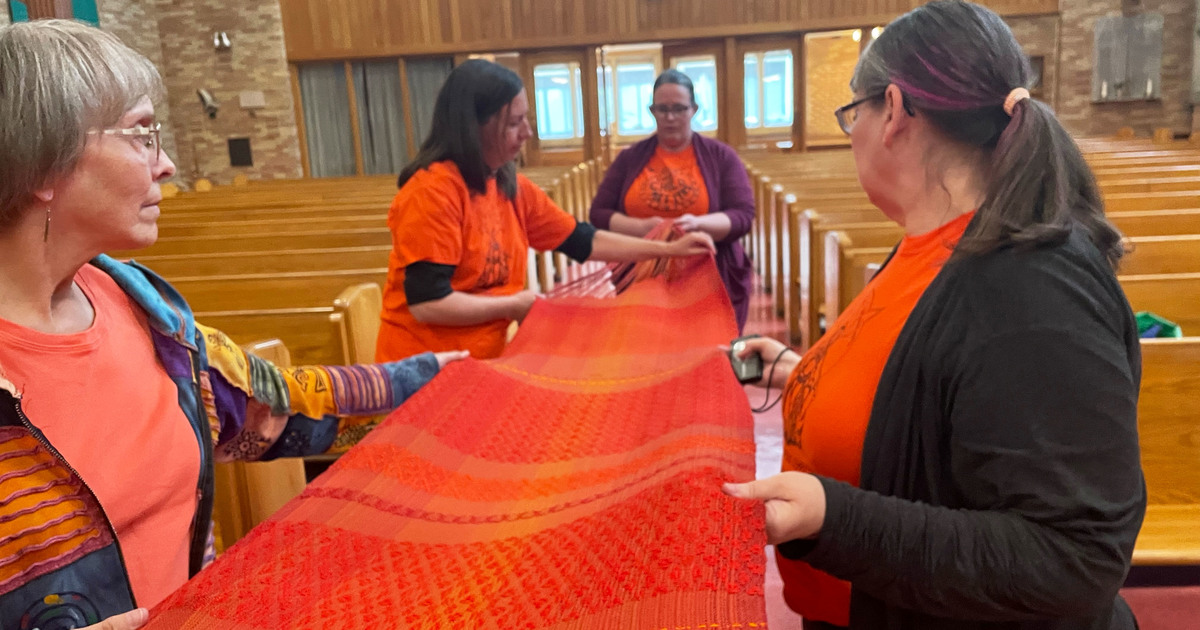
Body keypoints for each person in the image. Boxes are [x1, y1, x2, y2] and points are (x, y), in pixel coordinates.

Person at [0, 20, 466, 630]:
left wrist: (430, 379)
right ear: (44, 162)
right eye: (142, 134)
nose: (166, 165)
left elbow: (274, 409)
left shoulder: (141, 305)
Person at [723, 2, 1144, 629]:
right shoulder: (938, 243)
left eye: (851, 113)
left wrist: (829, 517)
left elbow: (1072, 559)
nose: (853, 132)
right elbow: (924, 386)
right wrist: (801, 371)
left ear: (892, 111)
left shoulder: (1031, 288)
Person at [375, 60, 716, 362]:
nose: (527, 133)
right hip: (419, 369)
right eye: (514, 123)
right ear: (473, 127)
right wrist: (513, 304)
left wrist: (668, 249)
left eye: (527, 120)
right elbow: (427, 304)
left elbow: (583, 241)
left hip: (477, 360)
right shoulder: (432, 192)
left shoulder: (511, 186)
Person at [589, 69, 755, 332]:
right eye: (661, 109)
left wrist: (698, 224)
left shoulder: (721, 156)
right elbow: (599, 214)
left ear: (694, 109)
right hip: (642, 279)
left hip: (708, 277)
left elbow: (742, 216)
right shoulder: (630, 158)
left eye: (678, 108)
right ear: (652, 111)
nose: (669, 117)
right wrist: (644, 228)